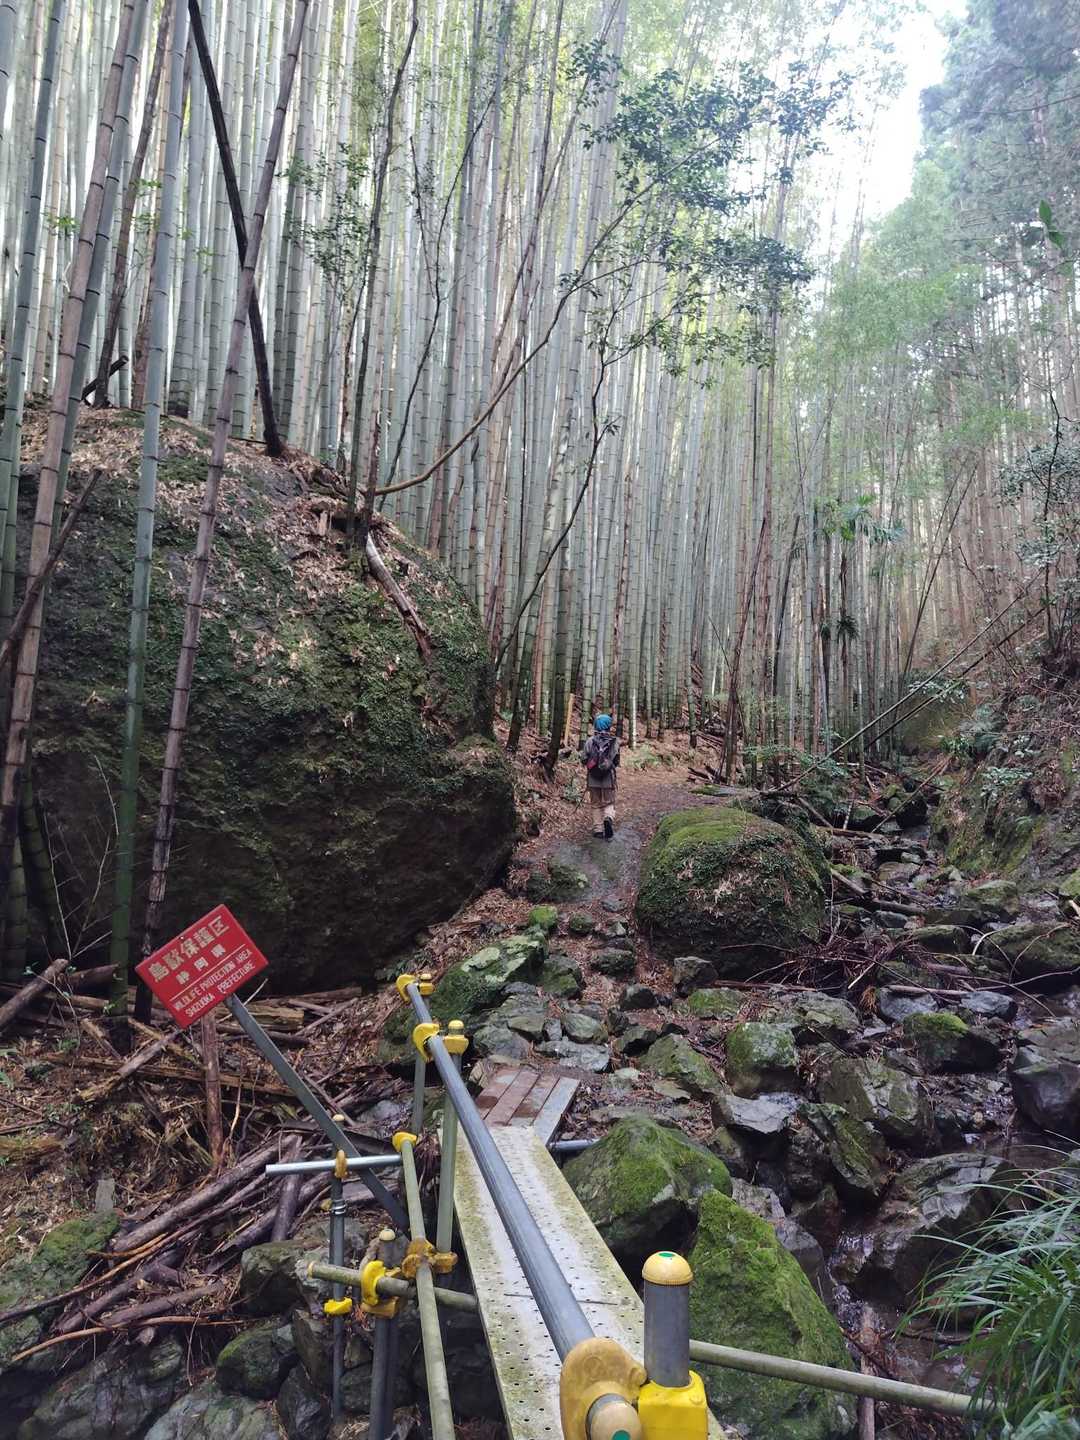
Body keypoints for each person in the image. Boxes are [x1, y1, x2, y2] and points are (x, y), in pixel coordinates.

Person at [582, 713, 619, 839]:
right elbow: (616, 761)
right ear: (608, 726)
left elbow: (583, 759)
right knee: (609, 802)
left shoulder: (590, 741)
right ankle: (608, 818)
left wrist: (592, 763)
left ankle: (598, 830)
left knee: (596, 804)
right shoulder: (614, 742)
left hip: (593, 778)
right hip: (608, 778)